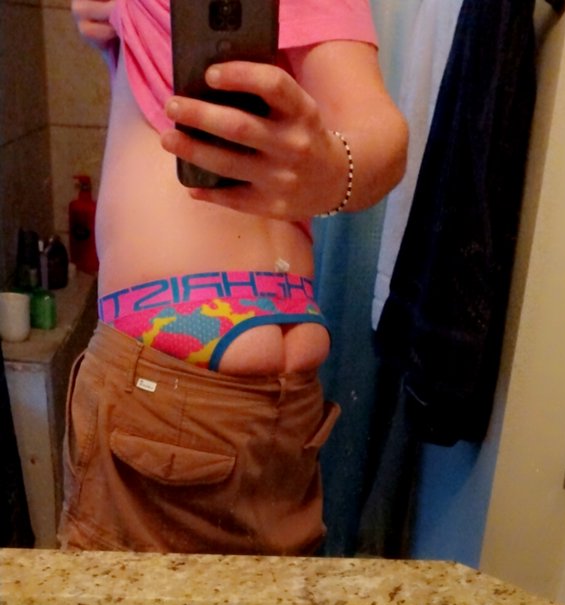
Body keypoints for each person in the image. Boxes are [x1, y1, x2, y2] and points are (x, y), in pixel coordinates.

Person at [59, 0, 408, 555]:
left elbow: (380, 139)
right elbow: (379, 130)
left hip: (166, 373)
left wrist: (331, 172)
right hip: (282, 392)